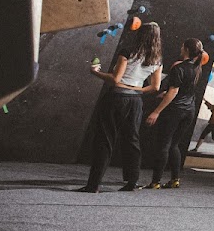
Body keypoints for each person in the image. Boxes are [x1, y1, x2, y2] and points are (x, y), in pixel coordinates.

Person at [79, 22, 164, 192]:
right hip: (135, 102)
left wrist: (95, 72)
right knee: (132, 140)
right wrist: (136, 89)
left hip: (116, 98)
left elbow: (116, 79)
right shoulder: (157, 59)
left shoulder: (127, 52)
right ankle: (132, 182)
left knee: (105, 139)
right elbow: (155, 87)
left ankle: (93, 185)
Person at [146, 38, 204, 189]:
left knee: (164, 145)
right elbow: (183, 90)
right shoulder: (197, 68)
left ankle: (155, 182)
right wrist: (166, 94)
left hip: (175, 111)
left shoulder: (179, 68)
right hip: (189, 111)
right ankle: (174, 180)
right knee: (174, 145)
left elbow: (174, 91)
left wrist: (156, 111)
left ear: (185, 49)